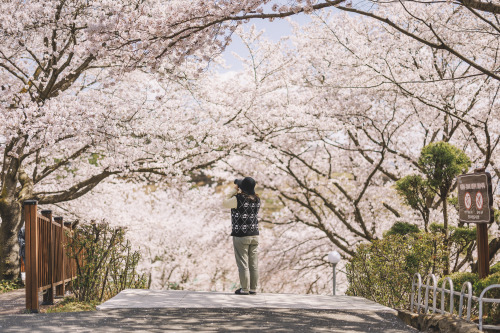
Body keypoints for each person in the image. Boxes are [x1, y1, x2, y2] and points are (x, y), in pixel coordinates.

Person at [222, 177, 260, 295]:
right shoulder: (257, 199)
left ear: (241, 187)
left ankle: (244, 289)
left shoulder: (238, 199)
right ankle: (253, 288)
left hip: (241, 235)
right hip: (254, 234)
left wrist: (234, 190)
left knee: (243, 263)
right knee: (253, 264)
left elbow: (224, 202)